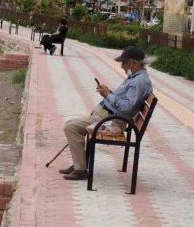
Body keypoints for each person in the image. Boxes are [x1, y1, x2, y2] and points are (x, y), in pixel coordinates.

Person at [59, 47, 153, 180]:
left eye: (124, 63)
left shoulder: (139, 81)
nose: (122, 66)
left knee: (71, 128)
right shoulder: (136, 77)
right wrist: (109, 92)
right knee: (70, 124)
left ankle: (80, 170)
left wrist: (108, 95)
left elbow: (126, 107)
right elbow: (125, 101)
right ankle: (78, 164)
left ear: (134, 63)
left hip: (111, 120)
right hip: (106, 115)